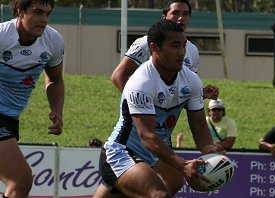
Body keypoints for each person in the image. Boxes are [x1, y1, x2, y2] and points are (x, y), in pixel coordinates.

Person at [93, 20, 222, 198]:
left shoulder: (191, 80)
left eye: (183, 45)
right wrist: (183, 165)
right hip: (122, 152)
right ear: (155, 48)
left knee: (175, 182)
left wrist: (210, 152)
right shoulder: (141, 82)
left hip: (156, 152)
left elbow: (199, 126)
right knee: (159, 194)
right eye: (175, 46)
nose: (182, 52)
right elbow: (147, 136)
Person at [0, 0, 65, 197]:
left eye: (48, 14)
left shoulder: (53, 41)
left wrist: (57, 111)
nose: (44, 19)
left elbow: (55, 79)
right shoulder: (2, 36)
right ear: (20, 11)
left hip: (11, 119)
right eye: (38, 12)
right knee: (20, 179)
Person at [111, 0, 219, 100]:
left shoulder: (193, 50)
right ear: (164, 17)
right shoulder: (146, 43)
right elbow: (118, 75)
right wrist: (137, 104)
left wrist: (202, 93)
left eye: (185, 14)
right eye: (175, 13)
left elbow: (185, 89)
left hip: (166, 120)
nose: (181, 18)